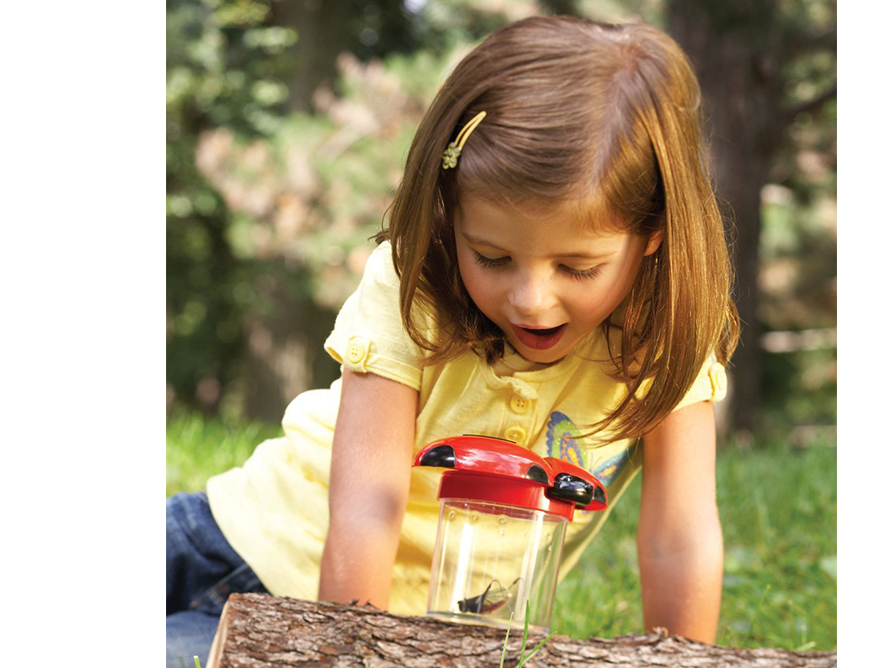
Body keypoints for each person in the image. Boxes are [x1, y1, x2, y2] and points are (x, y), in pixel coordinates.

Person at [166, 14, 739, 666]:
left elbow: (679, 537)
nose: (531, 297)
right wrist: (347, 655)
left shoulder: (666, 333)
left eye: (577, 268)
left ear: (654, 233)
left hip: (379, 635)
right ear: (450, 213)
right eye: (492, 257)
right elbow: (369, 506)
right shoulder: (416, 282)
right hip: (237, 539)